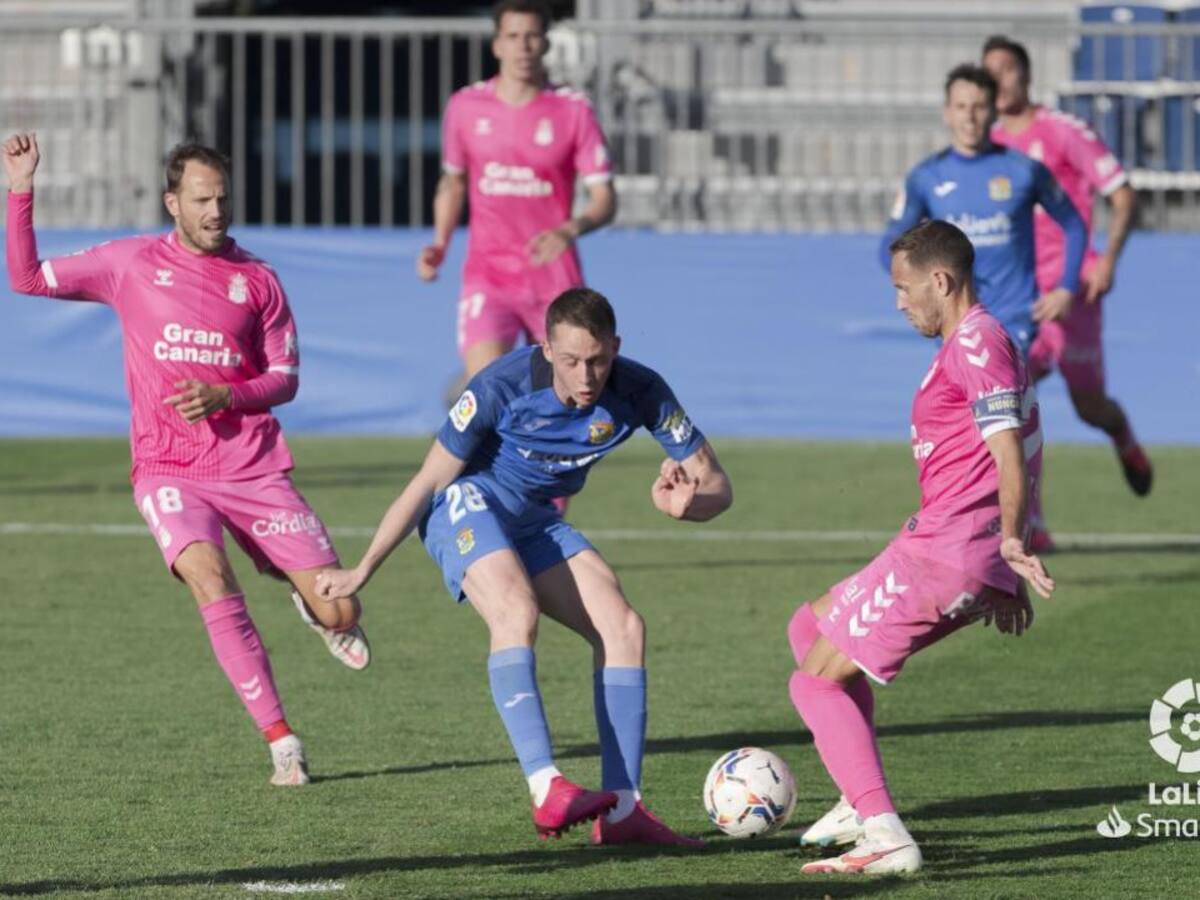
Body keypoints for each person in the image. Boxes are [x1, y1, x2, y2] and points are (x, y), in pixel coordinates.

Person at [3, 134, 370, 787]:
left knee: (342, 610)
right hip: (167, 466)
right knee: (209, 579)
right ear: (173, 201)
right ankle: (283, 743)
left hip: (253, 468)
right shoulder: (130, 263)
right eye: (201, 200)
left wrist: (229, 393)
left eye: (222, 199)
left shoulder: (258, 281)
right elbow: (26, 278)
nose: (215, 212)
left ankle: (304, 598)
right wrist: (21, 189)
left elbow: (285, 379)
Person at [315, 288, 732, 845]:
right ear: (546, 347)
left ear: (617, 347)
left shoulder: (641, 389)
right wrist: (362, 568)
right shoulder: (500, 385)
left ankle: (624, 811)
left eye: (599, 360)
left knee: (624, 627)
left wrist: (690, 505)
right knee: (516, 609)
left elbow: (717, 484)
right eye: (571, 361)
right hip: (465, 501)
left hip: (531, 519)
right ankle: (545, 787)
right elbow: (429, 480)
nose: (587, 376)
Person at [793, 221, 1055, 875]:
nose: (899, 302)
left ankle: (885, 834)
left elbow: (1008, 451)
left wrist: (1011, 542)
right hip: (943, 544)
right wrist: (1004, 560)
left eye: (904, 287)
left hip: (944, 553)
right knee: (809, 624)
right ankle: (861, 800)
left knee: (814, 683)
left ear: (941, 280)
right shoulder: (978, 341)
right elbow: (1021, 441)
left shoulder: (977, 342)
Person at [983, 35, 1152, 551]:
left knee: (1088, 404)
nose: (998, 81)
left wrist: (1108, 263)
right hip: (1018, 296)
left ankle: (1121, 433)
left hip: (1074, 291)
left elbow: (1123, 197)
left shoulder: (1061, 131)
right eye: (989, 72)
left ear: (1027, 75)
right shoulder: (986, 145)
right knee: (1008, 401)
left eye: (1007, 69)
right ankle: (1030, 523)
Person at [417, 0, 616, 383]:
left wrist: (568, 230)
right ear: (497, 45)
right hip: (489, 275)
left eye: (532, 36)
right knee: (486, 389)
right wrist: (439, 243)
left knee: (566, 401)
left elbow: (605, 201)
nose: (522, 47)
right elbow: (452, 182)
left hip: (554, 279)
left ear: (545, 43)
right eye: (513, 36)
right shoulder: (466, 106)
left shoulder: (572, 110)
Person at [881, 64, 1088, 360]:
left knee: (993, 394)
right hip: (954, 316)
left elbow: (1074, 225)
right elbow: (889, 245)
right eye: (961, 106)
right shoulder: (926, 177)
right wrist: (921, 286)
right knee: (971, 404)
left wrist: (1066, 288)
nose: (969, 116)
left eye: (978, 106)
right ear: (947, 112)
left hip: (1013, 317)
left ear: (993, 111)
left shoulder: (1024, 171)